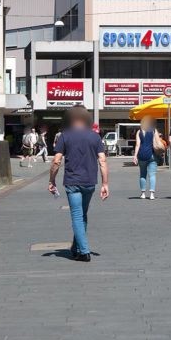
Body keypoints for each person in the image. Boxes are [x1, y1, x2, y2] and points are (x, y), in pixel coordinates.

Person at [49, 106, 109, 262]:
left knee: (77, 215)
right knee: (82, 215)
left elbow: (56, 160)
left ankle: (84, 252)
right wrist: (105, 184)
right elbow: (102, 160)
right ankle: (76, 248)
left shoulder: (65, 136)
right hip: (89, 182)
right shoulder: (95, 137)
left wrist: (51, 180)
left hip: (72, 181)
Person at [132, 116, 161, 200]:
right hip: (151, 155)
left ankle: (143, 194)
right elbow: (157, 143)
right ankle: (152, 194)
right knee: (152, 175)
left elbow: (137, 145)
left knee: (142, 174)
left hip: (141, 155)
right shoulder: (154, 131)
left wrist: (135, 156)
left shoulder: (139, 132)